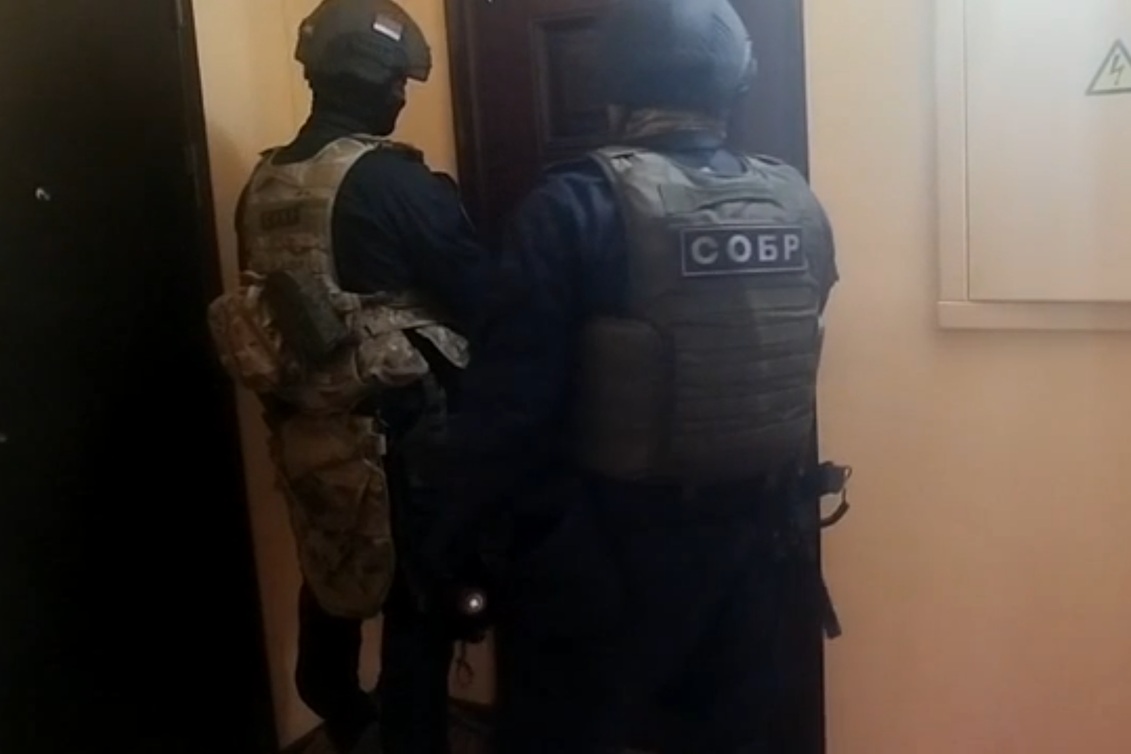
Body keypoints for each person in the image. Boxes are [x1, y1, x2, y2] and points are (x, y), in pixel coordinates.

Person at [420, 0, 841, 752]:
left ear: (611, 83)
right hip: (760, 560)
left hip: (606, 567)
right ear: (735, 80)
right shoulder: (796, 203)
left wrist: (451, 552)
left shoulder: (573, 206)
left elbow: (505, 418)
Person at [208, 1, 486, 752]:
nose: (402, 95)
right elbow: (483, 295)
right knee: (417, 608)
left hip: (307, 437)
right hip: (397, 437)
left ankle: (346, 720)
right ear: (371, 77)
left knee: (331, 571)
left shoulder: (263, 185)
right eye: (398, 80)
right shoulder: (392, 183)